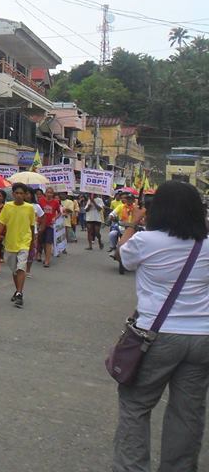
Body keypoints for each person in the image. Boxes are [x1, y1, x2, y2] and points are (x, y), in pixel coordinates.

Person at [112, 181, 209, 471]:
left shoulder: (146, 241)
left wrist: (133, 221)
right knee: (187, 412)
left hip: (155, 336)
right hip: (202, 338)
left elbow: (122, 255)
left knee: (136, 406)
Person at [0, 183, 37, 308]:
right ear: (13, 194)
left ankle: (19, 293)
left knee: (21, 268)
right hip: (10, 242)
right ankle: (17, 290)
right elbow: (2, 223)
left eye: (21, 193)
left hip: (24, 241)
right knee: (15, 270)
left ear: (25, 195)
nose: (19, 195)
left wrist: (33, 240)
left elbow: (32, 225)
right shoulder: (7, 206)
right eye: (17, 193)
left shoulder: (29, 208)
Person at [38, 188, 60, 268]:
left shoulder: (56, 202)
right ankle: (45, 256)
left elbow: (59, 212)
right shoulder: (41, 201)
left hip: (50, 225)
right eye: (48, 192)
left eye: (51, 193)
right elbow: (38, 211)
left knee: (48, 242)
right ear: (45, 193)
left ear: (53, 194)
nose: (49, 194)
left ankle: (47, 260)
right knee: (43, 241)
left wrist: (55, 218)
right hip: (41, 224)